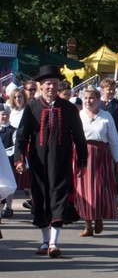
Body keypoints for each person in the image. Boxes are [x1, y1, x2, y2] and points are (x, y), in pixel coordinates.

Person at [13, 65, 88, 258]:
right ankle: (45, 241)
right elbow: (22, 136)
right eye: (47, 84)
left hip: (61, 161)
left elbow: (79, 136)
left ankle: (54, 242)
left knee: (58, 197)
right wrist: (19, 158)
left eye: (54, 84)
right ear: (41, 86)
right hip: (38, 162)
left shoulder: (69, 108)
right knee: (41, 198)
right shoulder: (32, 108)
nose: (51, 87)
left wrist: (82, 160)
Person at [75, 88, 118, 237]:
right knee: (84, 190)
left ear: (98, 100)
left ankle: (99, 218)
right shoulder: (79, 115)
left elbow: (114, 140)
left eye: (91, 98)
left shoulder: (106, 116)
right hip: (83, 154)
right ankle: (87, 224)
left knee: (99, 189)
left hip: (101, 155)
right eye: (86, 98)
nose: (88, 101)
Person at [98, 78, 118, 207]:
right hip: (100, 141)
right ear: (103, 89)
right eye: (108, 89)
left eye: (112, 89)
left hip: (114, 141)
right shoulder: (97, 104)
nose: (111, 91)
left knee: (115, 169)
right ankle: (102, 194)